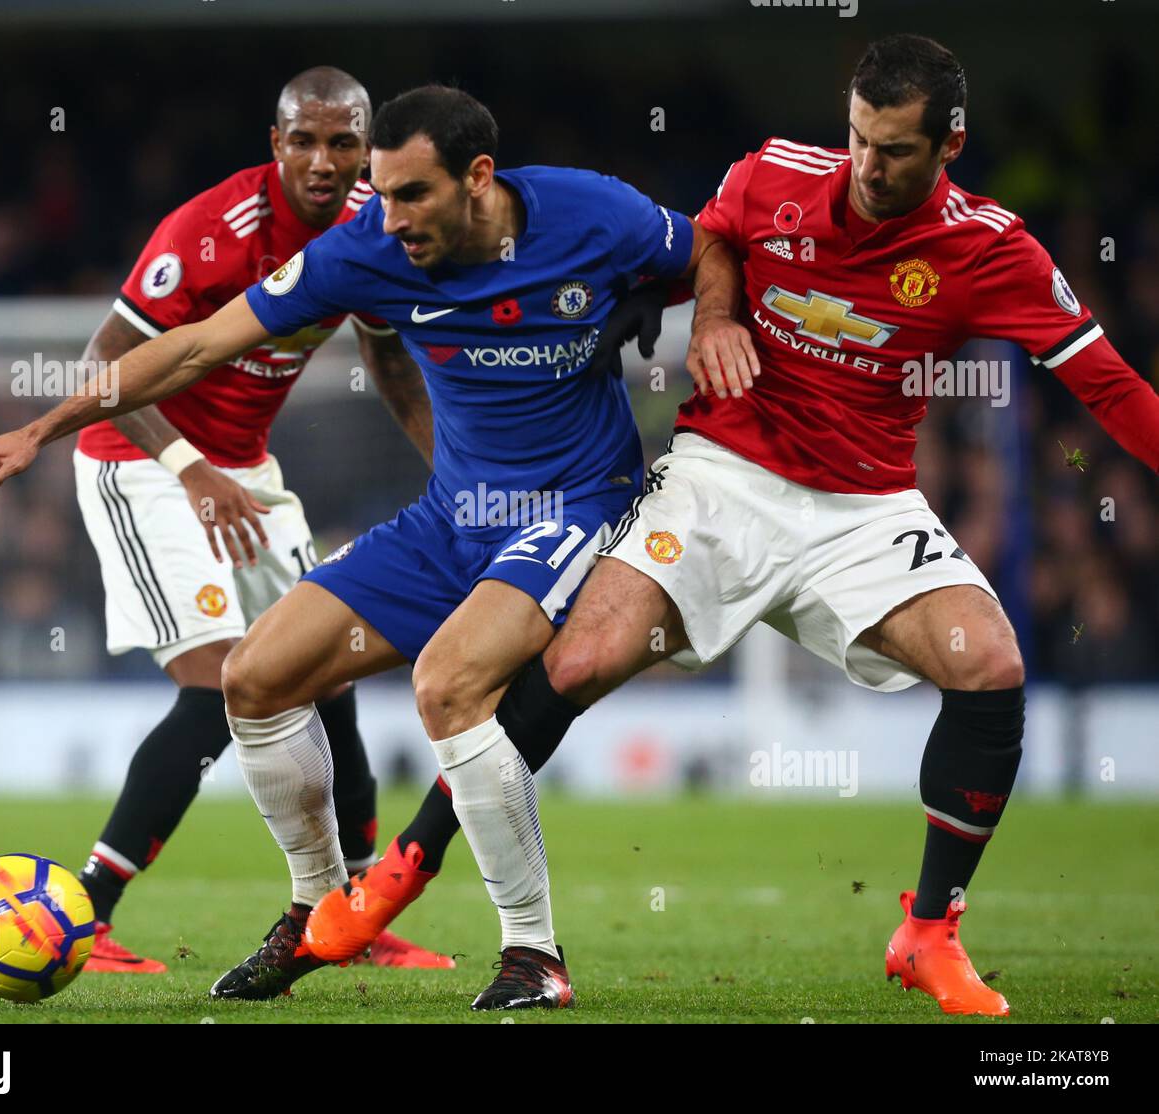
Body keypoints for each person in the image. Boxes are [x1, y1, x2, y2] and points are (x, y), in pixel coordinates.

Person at [308, 34, 1159, 1016]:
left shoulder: (991, 247)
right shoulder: (774, 176)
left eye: (894, 152)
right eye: (857, 140)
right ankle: (406, 865)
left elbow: (1108, 384)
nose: (867, 169)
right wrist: (713, 318)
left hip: (862, 506)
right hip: (721, 478)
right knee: (579, 660)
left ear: (949, 146)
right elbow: (713, 234)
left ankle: (928, 930)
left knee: (989, 662)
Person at [0, 84, 714, 1009]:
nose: (387, 219)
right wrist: (44, 428)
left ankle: (532, 955)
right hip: (453, 516)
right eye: (380, 194)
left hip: (575, 503)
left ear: (479, 179)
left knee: (447, 683)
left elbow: (714, 245)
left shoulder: (591, 212)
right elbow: (194, 346)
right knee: (255, 675)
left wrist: (697, 312)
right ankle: (318, 910)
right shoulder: (367, 248)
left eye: (410, 196)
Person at [60, 66, 446, 975]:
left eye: (343, 142)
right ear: (275, 145)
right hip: (146, 464)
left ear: (367, 150)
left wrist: (458, 472)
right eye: (303, 141)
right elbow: (103, 360)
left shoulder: (369, 224)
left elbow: (388, 359)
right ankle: (85, 912)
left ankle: (353, 916)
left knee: (333, 672)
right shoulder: (212, 230)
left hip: (247, 474)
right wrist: (192, 472)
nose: (323, 160)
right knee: (217, 686)